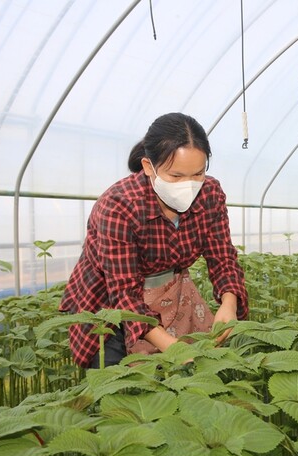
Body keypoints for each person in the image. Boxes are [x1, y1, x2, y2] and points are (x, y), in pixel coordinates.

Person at [60, 112, 248, 369]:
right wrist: (173, 348)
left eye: (198, 174)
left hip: (170, 295)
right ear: (149, 167)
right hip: (109, 305)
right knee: (120, 385)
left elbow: (222, 256)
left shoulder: (210, 194)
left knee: (181, 383)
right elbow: (124, 292)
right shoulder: (119, 206)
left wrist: (229, 302)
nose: (189, 185)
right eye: (176, 176)